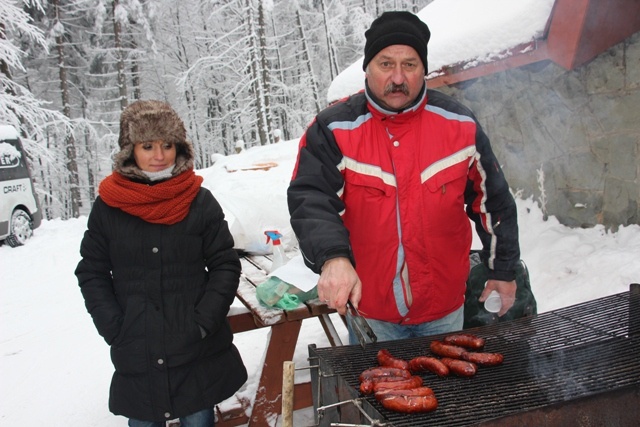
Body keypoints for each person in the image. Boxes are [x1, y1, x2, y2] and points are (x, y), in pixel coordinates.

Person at [287, 11, 520, 344]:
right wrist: (333, 257)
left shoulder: (460, 125)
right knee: (377, 394)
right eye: (385, 64)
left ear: (423, 68)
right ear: (367, 67)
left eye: (409, 65)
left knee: (446, 394)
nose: (397, 78)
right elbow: (310, 200)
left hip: (444, 311)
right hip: (370, 313)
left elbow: (493, 201)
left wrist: (503, 270)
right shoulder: (333, 129)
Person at [75, 100, 247, 426]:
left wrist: (203, 321)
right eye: (148, 146)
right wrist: (114, 326)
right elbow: (92, 271)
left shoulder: (199, 200)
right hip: (137, 350)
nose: (159, 155)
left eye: (167, 145)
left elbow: (225, 263)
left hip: (195, 350)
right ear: (130, 150)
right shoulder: (109, 206)